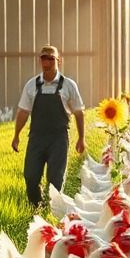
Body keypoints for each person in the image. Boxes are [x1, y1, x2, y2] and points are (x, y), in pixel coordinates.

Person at [11, 44, 85, 207]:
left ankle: (52, 210)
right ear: (40, 60)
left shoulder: (68, 85)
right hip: (37, 137)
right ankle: (35, 207)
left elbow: (79, 113)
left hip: (58, 139)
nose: (47, 61)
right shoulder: (32, 85)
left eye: (51, 58)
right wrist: (16, 136)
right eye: (43, 57)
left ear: (59, 61)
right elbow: (23, 112)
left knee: (55, 179)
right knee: (30, 175)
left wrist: (81, 138)